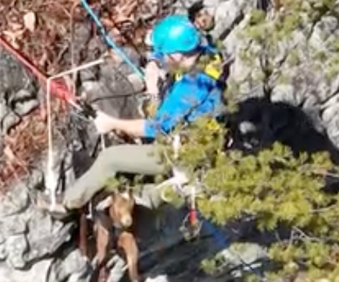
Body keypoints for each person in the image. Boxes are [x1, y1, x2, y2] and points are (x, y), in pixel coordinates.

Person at [38, 14, 225, 219]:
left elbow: (156, 127)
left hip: (184, 152)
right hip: (191, 134)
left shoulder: (192, 88)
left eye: (164, 54)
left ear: (178, 55)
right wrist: (155, 63)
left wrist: (111, 123)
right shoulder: (204, 54)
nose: (161, 58)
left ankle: (65, 205)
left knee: (110, 159)